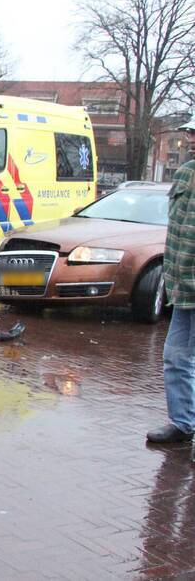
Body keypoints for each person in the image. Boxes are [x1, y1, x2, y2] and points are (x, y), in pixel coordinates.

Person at [148, 123, 195, 446]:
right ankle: (183, 422)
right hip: (184, 288)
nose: (191, 139)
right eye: (191, 132)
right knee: (175, 356)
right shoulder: (185, 172)